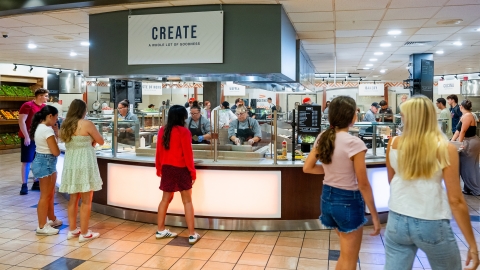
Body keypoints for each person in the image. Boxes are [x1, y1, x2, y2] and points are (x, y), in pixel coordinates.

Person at [384, 95, 479, 270]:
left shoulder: (393, 143)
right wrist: (472, 244)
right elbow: (456, 200)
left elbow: (392, 181)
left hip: (397, 219)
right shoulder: (445, 147)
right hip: (431, 219)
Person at [303, 96, 380, 269]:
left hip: (327, 200)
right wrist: (374, 215)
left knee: (345, 256)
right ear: (353, 116)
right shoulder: (355, 143)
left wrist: (330, 169)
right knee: (350, 259)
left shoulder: (323, 136)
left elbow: (307, 168)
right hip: (348, 201)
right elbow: (363, 183)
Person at [59, 99, 105, 243]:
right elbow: (101, 141)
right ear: (83, 110)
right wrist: (93, 140)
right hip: (85, 163)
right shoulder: (87, 124)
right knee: (86, 200)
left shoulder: (65, 124)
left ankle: (73, 230)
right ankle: (84, 233)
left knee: (73, 199)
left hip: (71, 163)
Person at [155, 105, 200, 244]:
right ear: (183, 117)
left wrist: (158, 168)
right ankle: (192, 234)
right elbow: (188, 154)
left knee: (164, 200)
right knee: (187, 201)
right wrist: (192, 172)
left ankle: (160, 230)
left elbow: (158, 152)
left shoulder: (163, 130)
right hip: (181, 169)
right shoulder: (184, 132)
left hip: (167, 168)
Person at [30, 105, 62, 236]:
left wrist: (56, 132)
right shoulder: (46, 131)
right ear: (50, 116)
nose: (56, 121)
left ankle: (52, 219)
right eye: (55, 118)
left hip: (43, 162)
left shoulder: (40, 128)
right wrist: (55, 134)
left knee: (49, 193)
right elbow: (55, 152)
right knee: (45, 196)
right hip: (46, 164)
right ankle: (42, 226)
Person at [18, 88, 49, 195]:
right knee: (26, 161)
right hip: (28, 138)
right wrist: (26, 136)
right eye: (45, 96)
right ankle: (24, 184)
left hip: (39, 138)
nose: (47, 98)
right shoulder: (27, 105)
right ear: (39, 96)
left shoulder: (44, 107)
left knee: (37, 160)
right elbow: (21, 121)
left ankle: (36, 182)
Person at [451, 100, 480, 196]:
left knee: (468, 167)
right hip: (466, 141)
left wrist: (459, 144)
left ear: (461, 106)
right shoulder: (464, 116)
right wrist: (452, 142)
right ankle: (468, 188)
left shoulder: (468, 116)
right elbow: (458, 131)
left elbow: (463, 131)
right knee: (466, 166)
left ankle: (476, 189)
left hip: (470, 143)